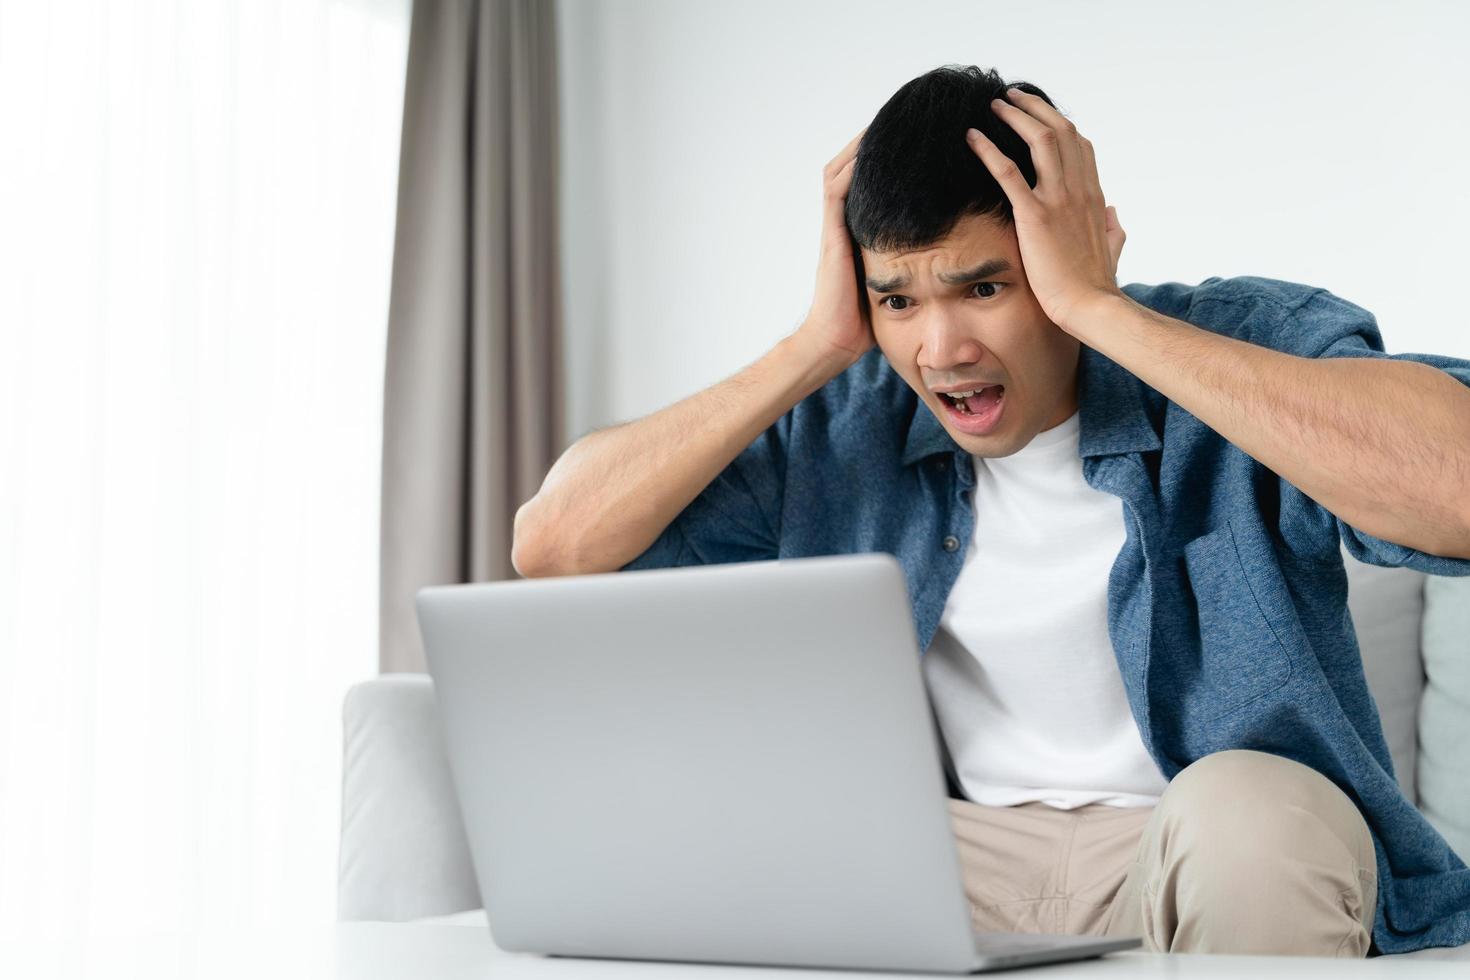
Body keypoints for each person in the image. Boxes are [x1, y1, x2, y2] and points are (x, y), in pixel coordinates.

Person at [510, 64, 1470, 958]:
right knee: (718, 823)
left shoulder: (1240, 345)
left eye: (984, 286)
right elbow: (554, 547)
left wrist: (1101, 311)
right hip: (959, 858)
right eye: (897, 300)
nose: (941, 347)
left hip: (1204, 845)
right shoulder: (847, 423)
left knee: (1248, 821)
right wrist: (816, 343)